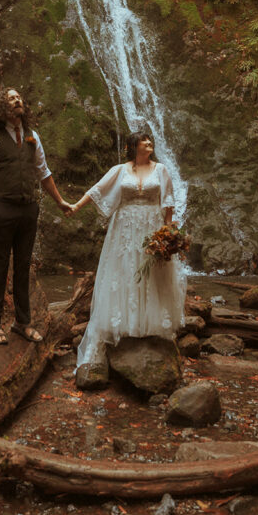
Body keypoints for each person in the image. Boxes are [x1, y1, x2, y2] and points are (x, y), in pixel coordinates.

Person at [67, 132, 186, 370]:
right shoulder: (120, 170)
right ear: (133, 146)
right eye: (145, 141)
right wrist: (75, 206)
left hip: (152, 225)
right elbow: (97, 189)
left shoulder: (161, 169)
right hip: (124, 227)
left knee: (152, 272)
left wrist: (169, 234)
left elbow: (169, 203)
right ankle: (125, 326)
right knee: (124, 270)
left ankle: (148, 328)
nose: (149, 143)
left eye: (150, 140)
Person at [0, 87, 71, 345]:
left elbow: (44, 172)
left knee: (23, 266)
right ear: (2, 107)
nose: (17, 100)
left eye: (19, 97)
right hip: (2, 207)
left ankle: (22, 322)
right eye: (11, 98)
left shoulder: (32, 137)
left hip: (29, 208)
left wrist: (60, 202)